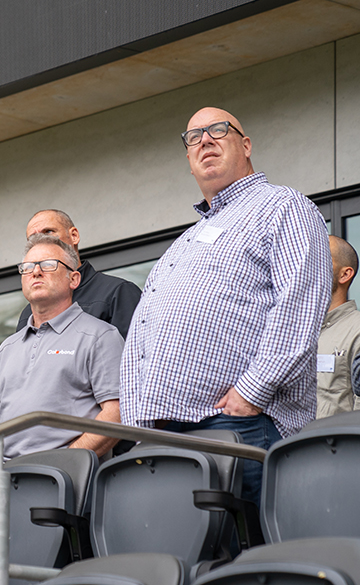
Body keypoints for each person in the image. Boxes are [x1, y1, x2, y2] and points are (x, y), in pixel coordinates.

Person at [120, 107, 331, 507]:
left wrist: (251, 393)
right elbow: (144, 328)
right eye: (193, 136)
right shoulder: (183, 241)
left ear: (246, 145)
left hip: (241, 423)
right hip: (167, 433)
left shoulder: (283, 205)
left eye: (218, 129)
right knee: (184, 566)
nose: (205, 140)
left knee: (246, 564)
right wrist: (139, 425)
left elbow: (301, 302)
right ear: (188, 158)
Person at [0, 236, 123, 473]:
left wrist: (66, 464)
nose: (36, 272)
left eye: (48, 264)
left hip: (67, 483)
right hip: (5, 483)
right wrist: (0, 475)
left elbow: (116, 413)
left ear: (73, 279)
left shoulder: (100, 336)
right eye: (28, 267)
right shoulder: (6, 348)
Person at [14, 210, 142, 339]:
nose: (41, 241)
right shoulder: (28, 313)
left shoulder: (118, 292)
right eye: (33, 239)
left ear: (74, 235)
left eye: (48, 232)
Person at [318, 237, 360, 417]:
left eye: (319, 257)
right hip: (287, 444)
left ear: (344, 274)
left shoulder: (356, 329)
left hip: (335, 444)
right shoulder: (291, 330)